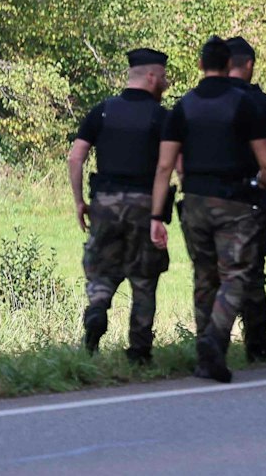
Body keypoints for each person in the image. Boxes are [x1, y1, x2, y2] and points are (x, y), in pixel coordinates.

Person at [150, 36, 266, 383]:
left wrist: (155, 215)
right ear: (229, 66)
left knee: (204, 277)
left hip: (194, 202)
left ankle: (205, 356)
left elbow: (165, 166)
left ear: (200, 65)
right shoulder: (245, 105)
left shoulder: (184, 106)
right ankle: (215, 337)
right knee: (237, 275)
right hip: (236, 202)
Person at [68, 47, 171, 362]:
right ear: (152, 76)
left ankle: (97, 309)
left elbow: (76, 157)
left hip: (105, 202)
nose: (166, 82)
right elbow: (170, 165)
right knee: (144, 276)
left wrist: (80, 202)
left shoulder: (102, 110)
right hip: (144, 203)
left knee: (102, 268)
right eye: (164, 77)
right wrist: (159, 211)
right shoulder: (162, 117)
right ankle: (139, 351)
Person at [222, 36, 266, 361]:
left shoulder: (206, 99)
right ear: (248, 65)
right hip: (252, 198)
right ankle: (256, 341)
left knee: (212, 272)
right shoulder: (261, 103)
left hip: (209, 197)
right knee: (253, 269)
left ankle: (213, 339)